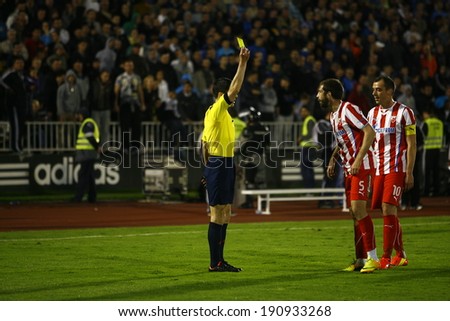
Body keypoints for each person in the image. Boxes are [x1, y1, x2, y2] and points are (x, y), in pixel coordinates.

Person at [316, 78, 380, 273]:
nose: (317, 95)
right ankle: (361, 259)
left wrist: (359, 159)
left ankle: (373, 258)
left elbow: (369, 132)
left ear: (329, 94)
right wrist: (333, 159)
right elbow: (343, 140)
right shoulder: (333, 115)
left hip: (361, 166)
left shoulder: (349, 109)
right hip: (348, 169)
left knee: (359, 210)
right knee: (354, 214)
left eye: (320, 91)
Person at [201, 46, 250, 272]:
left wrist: (206, 168)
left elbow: (203, 142)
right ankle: (215, 262)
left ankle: (220, 260)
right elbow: (235, 87)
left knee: (226, 212)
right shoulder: (218, 109)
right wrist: (242, 63)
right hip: (220, 163)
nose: (235, 97)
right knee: (217, 212)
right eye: (231, 95)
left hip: (224, 163)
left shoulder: (221, 115)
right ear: (221, 95)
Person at [368, 75, 417, 269]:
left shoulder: (405, 113)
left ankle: (386, 257)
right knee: (387, 212)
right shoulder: (372, 113)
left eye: (379, 89)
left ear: (390, 91)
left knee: (388, 208)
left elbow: (412, 144)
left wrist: (409, 172)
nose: (375, 93)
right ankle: (401, 253)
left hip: (396, 168)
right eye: (373, 89)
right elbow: (369, 141)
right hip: (378, 169)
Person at [114, 58, 145, 153]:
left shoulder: (137, 77)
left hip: (135, 103)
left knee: (136, 126)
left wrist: (142, 103)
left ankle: (135, 146)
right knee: (125, 126)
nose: (129, 67)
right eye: (127, 65)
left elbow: (140, 91)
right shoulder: (120, 78)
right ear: (124, 66)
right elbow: (116, 92)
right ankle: (125, 146)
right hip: (124, 103)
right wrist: (116, 104)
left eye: (131, 65)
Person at [72, 108, 101, 203]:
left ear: (83, 114)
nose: (77, 116)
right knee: (89, 176)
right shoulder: (89, 123)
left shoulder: (87, 123)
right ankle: (92, 197)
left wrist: (97, 147)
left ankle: (78, 197)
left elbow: (90, 137)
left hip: (87, 153)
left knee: (83, 175)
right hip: (88, 153)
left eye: (79, 114)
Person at [1, 55, 27, 153]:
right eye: (18, 63)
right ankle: (15, 147)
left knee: (20, 125)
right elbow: (1, 81)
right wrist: (9, 90)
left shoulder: (22, 76)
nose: (20, 65)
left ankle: (19, 145)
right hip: (13, 104)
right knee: (15, 125)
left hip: (21, 105)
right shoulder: (10, 73)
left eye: (22, 63)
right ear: (13, 64)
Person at [422, 109, 444, 197]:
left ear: (427, 113)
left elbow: (422, 135)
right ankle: (436, 191)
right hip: (438, 149)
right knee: (436, 171)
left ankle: (426, 191)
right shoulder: (440, 123)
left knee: (427, 171)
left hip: (428, 149)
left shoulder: (427, 123)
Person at [298, 106, 316, 189]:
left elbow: (309, 134)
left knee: (306, 169)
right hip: (307, 147)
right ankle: (309, 188)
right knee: (307, 168)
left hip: (308, 147)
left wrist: (301, 138)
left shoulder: (310, 120)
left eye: (304, 111)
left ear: (308, 112)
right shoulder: (307, 120)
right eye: (301, 111)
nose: (302, 113)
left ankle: (309, 188)